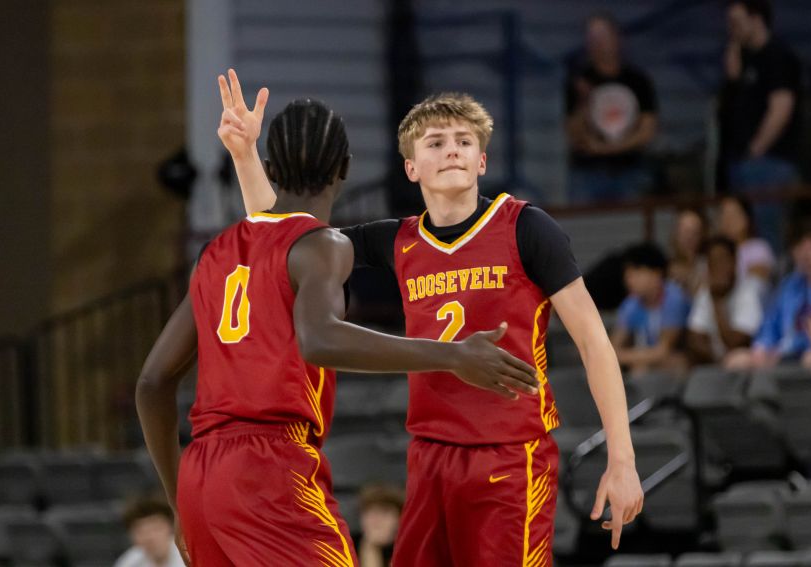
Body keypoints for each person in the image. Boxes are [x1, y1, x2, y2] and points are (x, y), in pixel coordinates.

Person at [136, 72, 538, 566]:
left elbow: (152, 382)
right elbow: (320, 339)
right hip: (270, 468)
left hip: (200, 474)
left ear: (271, 168)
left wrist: (180, 499)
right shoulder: (325, 245)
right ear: (345, 167)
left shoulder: (216, 254)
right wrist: (452, 355)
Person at [234, 88, 643, 563]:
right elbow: (285, 239)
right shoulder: (396, 239)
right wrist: (245, 156)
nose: (452, 150)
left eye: (464, 141)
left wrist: (622, 459)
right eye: (436, 142)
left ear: (481, 160)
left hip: (511, 456)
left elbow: (594, 343)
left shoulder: (526, 228)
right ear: (411, 168)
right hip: (430, 456)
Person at [718, 0, 802, 249]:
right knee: (737, 234)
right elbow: (730, 104)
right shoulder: (743, 58)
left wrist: (756, 148)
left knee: (768, 235)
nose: (732, 29)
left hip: (769, 162)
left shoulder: (778, 56)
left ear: (756, 19)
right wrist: (733, 69)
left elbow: (781, 108)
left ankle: (773, 274)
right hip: (739, 160)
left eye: (737, 22)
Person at [564, 13, 658, 204]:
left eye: (602, 37)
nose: (597, 44)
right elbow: (573, 133)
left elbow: (648, 130)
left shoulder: (638, 81)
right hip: (588, 172)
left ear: (617, 39)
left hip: (631, 170)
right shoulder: (579, 82)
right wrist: (584, 101)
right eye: (592, 38)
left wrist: (610, 149)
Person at [727, 218, 811, 370]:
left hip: (809, 353)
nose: (806, 253)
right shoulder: (789, 285)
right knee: (736, 360)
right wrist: (761, 348)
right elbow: (769, 326)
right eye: (800, 246)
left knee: (810, 359)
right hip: (784, 353)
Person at [611, 242, 691, 375]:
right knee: (638, 369)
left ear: (656, 273)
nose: (629, 280)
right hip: (649, 360)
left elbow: (663, 351)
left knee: (676, 362)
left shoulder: (674, 298)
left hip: (682, 362)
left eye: (636, 273)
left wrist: (622, 356)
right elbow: (613, 348)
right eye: (627, 275)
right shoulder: (630, 304)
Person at [686, 236, 764, 364]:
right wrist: (718, 359)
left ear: (734, 262)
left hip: (748, 367)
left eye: (722, 260)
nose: (718, 267)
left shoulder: (749, 291)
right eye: (713, 262)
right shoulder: (705, 293)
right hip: (716, 364)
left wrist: (716, 301)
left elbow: (736, 343)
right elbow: (695, 339)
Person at [718, 195, 775, 295]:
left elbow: (757, 281)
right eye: (724, 215)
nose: (728, 220)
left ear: (747, 218)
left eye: (733, 214)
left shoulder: (759, 247)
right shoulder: (716, 252)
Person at [114, 499, 184, 567]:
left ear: (171, 527)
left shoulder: (186, 555)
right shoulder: (129, 562)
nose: (149, 537)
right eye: (141, 532)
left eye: (156, 528)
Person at [355, 484, 405, 567]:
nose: (375, 519)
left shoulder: (412, 551)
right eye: (368, 512)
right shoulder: (345, 550)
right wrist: (370, 547)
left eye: (384, 512)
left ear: (399, 518)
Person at [668, 206, 708, 297]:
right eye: (685, 232)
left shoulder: (707, 267)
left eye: (695, 233)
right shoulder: (664, 268)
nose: (689, 238)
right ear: (675, 234)